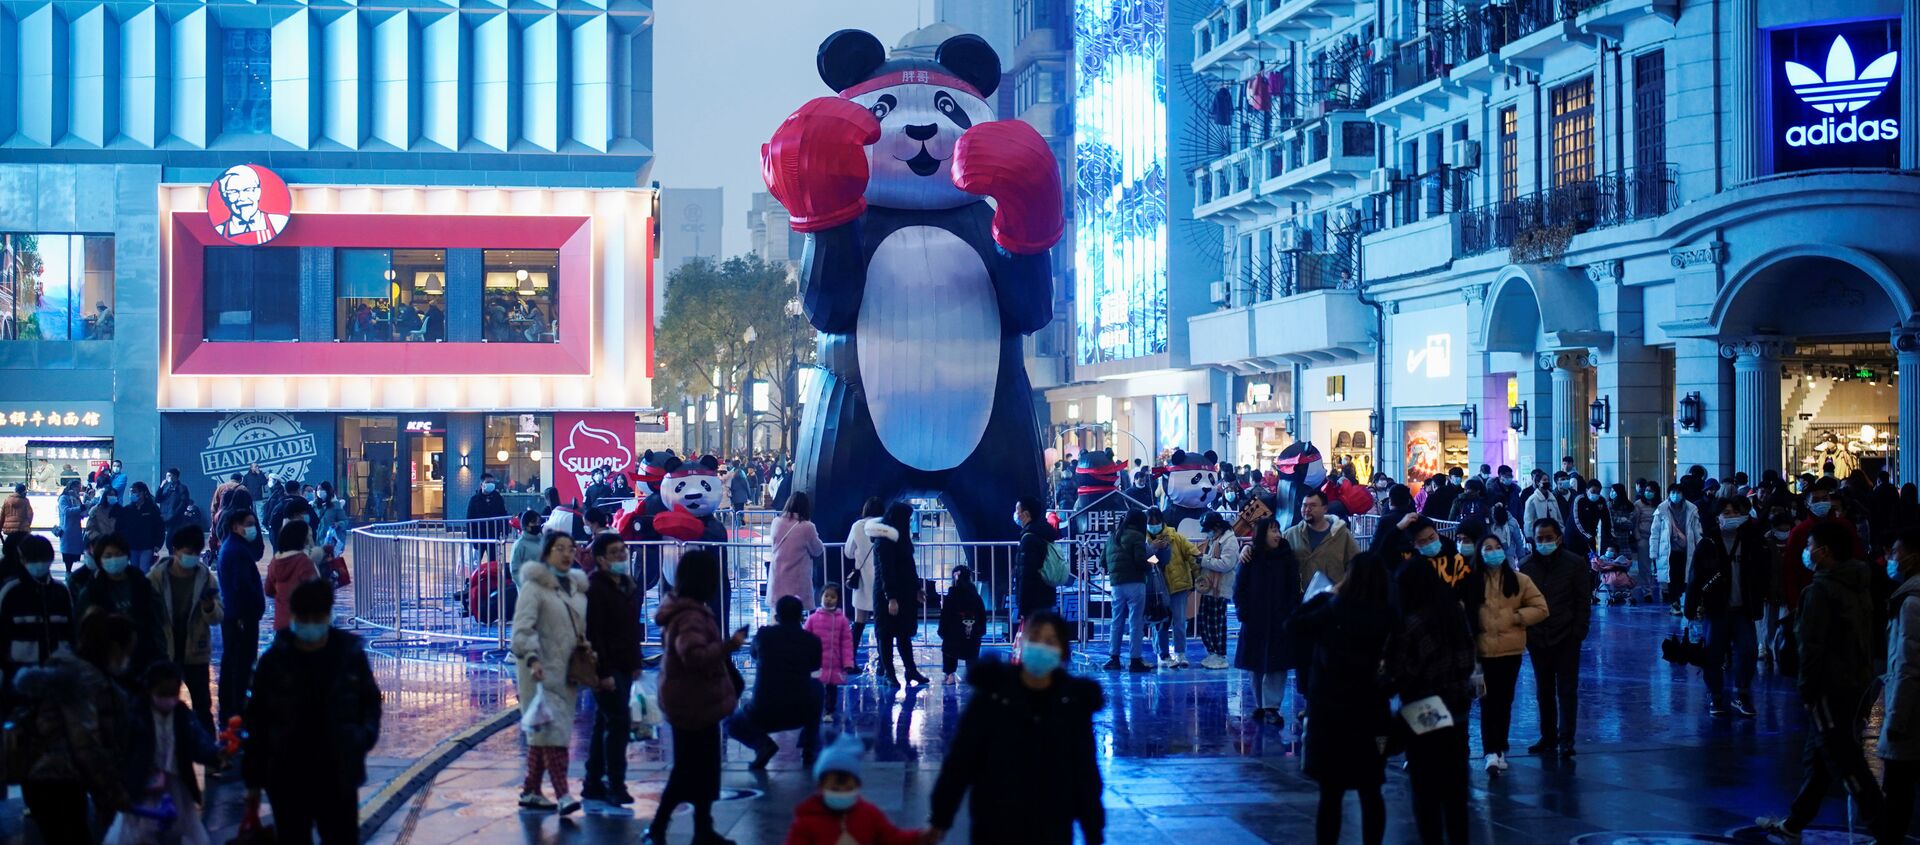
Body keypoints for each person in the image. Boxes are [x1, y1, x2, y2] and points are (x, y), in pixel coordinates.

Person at [1757, 521, 1885, 842]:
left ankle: (1885, 829)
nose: (1807, 551)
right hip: (1857, 683)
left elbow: (1812, 648)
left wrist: (1808, 689)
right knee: (1819, 757)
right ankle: (1795, 823)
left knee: (1845, 760)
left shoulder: (1820, 591)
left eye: (1811, 545)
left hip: (1830, 689)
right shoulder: (1858, 583)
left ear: (1824, 552)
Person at [930, 611, 1104, 845]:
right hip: (994, 822)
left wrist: (1093, 830)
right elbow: (961, 762)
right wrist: (940, 818)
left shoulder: (1073, 703)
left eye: (1050, 641)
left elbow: (1085, 773)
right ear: (1022, 643)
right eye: (1035, 638)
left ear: (1062, 650)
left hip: (1052, 825)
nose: (1041, 646)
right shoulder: (992, 696)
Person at [244, 580, 382, 845]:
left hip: (338, 772)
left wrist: (362, 738)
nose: (310, 624)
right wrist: (253, 778)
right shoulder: (274, 661)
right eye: (304, 617)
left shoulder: (348, 655)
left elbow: (370, 701)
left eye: (316, 617)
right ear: (294, 616)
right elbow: (257, 719)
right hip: (286, 775)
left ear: (328, 615)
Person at [1287, 551, 1394, 845]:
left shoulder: (1334, 608)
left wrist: (1324, 594)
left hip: (1330, 714)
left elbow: (1295, 625)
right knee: (1371, 790)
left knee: (1330, 793)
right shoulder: (1388, 615)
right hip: (1371, 713)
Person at [649, 549, 746, 845]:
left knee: (702, 768)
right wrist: (729, 646)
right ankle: (659, 828)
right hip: (692, 700)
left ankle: (702, 828)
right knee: (689, 769)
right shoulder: (691, 616)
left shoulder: (688, 609)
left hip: (693, 698)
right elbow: (693, 655)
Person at [15, 610, 135, 843]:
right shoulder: (84, 680)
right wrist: (111, 792)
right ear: (112, 647)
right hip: (56, 782)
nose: (128, 658)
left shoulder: (72, 669)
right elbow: (86, 744)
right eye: (127, 650)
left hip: (47, 779)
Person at [1393, 559, 1477, 845]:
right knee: (1455, 791)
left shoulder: (1412, 623)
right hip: (1458, 709)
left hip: (1424, 711)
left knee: (1425, 790)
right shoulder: (1454, 613)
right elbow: (1468, 660)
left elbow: (1404, 671)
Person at [511, 531, 589, 814]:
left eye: (571, 548)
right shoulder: (534, 588)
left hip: (567, 672)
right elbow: (522, 629)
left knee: (544, 734)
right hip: (539, 672)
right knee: (554, 736)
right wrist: (532, 658)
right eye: (560, 548)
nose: (567, 554)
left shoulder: (576, 589)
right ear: (546, 553)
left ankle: (531, 790)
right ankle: (563, 794)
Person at [120, 662, 222, 845]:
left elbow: (198, 742)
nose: (168, 698)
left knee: (175, 832)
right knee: (142, 835)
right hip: (144, 786)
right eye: (163, 692)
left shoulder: (182, 715)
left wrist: (217, 755)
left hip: (175, 786)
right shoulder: (136, 715)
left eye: (173, 692)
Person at [1685, 495, 1767, 717]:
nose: (1731, 517)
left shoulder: (1751, 541)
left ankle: (1742, 693)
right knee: (1714, 653)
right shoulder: (1708, 543)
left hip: (1743, 608)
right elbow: (1696, 577)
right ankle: (1716, 695)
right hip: (1716, 608)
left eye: (1735, 513)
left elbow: (1761, 573)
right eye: (1726, 513)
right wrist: (1690, 607)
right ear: (1717, 517)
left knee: (1748, 651)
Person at [1473, 533, 1546, 774]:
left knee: (1504, 702)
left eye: (1496, 547)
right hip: (1481, 653)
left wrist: (1516, 618)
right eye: (1487, 548)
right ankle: (1490, 752)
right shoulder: (1471, 581)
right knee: (1486, 703)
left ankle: (1500, 747)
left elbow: (1540, 608)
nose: (1493, 552)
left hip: (1510, 652)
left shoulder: (1519, 580)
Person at [726, 594, 824, 768]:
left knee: (730, 722)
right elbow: (814, 666)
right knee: (817, 688)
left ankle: (761, 744)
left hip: (763, 711)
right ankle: (809, 746)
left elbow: (754, 655)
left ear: (777, 617)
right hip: (801, 710)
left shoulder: (764, 635)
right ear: (802, 616)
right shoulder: (812, 640)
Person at [1521, 518, 1591, 757]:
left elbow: (1583, 601)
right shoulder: (1526, 566)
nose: (1543, 542)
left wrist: (1578, 631)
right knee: (1544, 690)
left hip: (1567, 636)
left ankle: (1566, 738)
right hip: (1538, 637)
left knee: (1567, 689)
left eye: (1548, 538)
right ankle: (1548, 736)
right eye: (1539, 539)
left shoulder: (1575, 564)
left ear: (1559, 538)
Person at [785, 732, 930, 845]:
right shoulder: (807, 822)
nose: (841, 792)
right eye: (835, 789)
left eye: (846, 787)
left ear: (857, 785)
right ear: (820, 786)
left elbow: (892, 839)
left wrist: (920, 837)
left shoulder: (868, 816)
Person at [583, 532, 640, 805]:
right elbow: (594, 633)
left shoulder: (627, 585)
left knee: (604, 721)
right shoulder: (595, 589)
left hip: (624, 664)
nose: (621, 557)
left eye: (623, 551)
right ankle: (616, 784)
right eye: (615, 553)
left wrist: (636, 662)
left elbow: (630, 630)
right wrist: (602, 673)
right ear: (601, 559)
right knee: (618, 723)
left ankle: (593, 781)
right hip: (607, 666)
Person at [151, 526, 221, 735]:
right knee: (161, 705)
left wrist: (209, 606)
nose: (191, 557)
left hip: (196, 653)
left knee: (202, 707)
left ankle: (210, 759)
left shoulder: (206, 578)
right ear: (175, 550)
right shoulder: (156, 578)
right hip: (165, 651)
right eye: (187, 552)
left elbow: (218, 617)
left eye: (195, 553)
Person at [1876, 528, 1920, 844]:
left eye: (1895, 551)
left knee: (1898, 788)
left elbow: (1906, 664)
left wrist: (1895, 717)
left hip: (1911, 713)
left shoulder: (1911, 603)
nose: (1891, 558)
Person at [1236, 517, 1301, 723]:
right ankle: (1260, 704)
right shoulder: (1251, 556)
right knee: (1255, 664)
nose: (1277, 535)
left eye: (1278, 530)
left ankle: (1271, 706)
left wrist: (1290, 612)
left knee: (1276, 665)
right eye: (1272, 531)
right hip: (1254, 618)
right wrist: (1243, 611)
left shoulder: (1287, 557)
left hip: (1280, 618)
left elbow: (1293, 588)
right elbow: (1240, 587)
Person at [0, 536, 75, 706]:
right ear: (22, 560)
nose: (39, 564)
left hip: (57, 670)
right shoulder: (11, 591)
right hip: (18, 673)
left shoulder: (60, 591)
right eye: (33, 559)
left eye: (43, 559)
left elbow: (70, 629)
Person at [75, 531, 166, 670]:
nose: (114, 559)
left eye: (118, 555)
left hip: (142, 660)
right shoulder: (90, 591)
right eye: (108, 556)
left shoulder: (142, 585)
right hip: (103, 662)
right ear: (100, 559)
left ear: (127, 556)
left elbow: (157, 621)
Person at [216, 508, 266, 725]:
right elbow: (241, 586)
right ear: (235, 525)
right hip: (240, 617)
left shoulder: (234, 547)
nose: (251, 527)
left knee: (234, 663)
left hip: (238, 615)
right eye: (247, 523)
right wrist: (247, 613)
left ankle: (231, 709)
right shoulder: (236, 551)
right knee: (240, 664)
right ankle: (236, 711)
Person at [871, 502, 929, 686]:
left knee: (904, 633)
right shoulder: (884, 540)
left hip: (904, 592)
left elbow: (909, 566)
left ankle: (910, 670)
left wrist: (917, 587)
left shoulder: (900, 537)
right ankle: (889, 672)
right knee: (886, 634)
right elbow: (886, 570)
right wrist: (891, 597)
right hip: (886, 593)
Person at [1144, 508, 1198, 667]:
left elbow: (1190, 552)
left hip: (1178, 585)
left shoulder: (1175, 537)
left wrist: (1198, 568)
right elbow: (1147, 562)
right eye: (1150, 523)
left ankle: (1181, 654)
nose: (1153, 525)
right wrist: (1154, 549)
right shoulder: (1144, 541)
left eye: (1156, 522)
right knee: (1161, 621)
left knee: (1180, 621)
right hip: (1157, 589)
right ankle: (1164, 654)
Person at [1102, 510, 1152, 672]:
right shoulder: (1137, 536)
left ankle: (1114, 658)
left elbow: (1102, 562)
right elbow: (1141, 561)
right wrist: (1154, 560)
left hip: (1116, 585)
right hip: (1135, 584)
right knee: (1136, 622)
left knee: (1116, 621)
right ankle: (1135, 660)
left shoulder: (1112, 537)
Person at [1286, 489, 1360, 593]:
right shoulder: (1290, 535)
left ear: (1325, 509)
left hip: (1331, 599)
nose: (1307, 509)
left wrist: (1340, 587)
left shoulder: (1342, 534)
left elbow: (1356, 565)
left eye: (1312, 505)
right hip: (1299, 600)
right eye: (1304, 505)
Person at [1195, 513, 1241, 670]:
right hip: (1208, 588)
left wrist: (1204, 560)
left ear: (1216, 527)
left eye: (1208, 529)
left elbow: (1226, 564)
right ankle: (1212, 652)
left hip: (1220, 589)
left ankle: (1220, 654)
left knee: (1217, 623)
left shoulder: (1230, 541)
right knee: (1205, 622)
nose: (1207, 533)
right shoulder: (1214, 540)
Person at [844, 496, 886, 665]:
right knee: (882, 624)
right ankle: (883, 662)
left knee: (859, 622)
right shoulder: (886, 526)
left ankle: (851, 660)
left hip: (862, 581)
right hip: (882, 580)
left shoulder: (857, 526)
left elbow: (848, 551)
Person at [805, 584, 855, 720]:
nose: (828, 599)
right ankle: (814, 711)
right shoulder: (812, 619)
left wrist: (848, 662)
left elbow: (846, 644)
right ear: (820, 597)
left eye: (833, 597)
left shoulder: (842, 620)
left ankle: (829, 711)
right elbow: (804, 640)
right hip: (816, 663)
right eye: (826, 595)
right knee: (815, 689)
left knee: (831, 690)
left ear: (838, 600)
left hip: (834, 663)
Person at [1652, 482, 1703, 615]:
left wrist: (1701, 546)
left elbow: (1697, 530)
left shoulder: (1692, 509)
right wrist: (1653, 552)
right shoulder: (1661, 509)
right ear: (1669, 494)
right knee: (1671, 577)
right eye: (1673, 492)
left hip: (1687, 549)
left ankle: (1681, 600)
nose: (1675, 495)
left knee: (1684, 577)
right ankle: (1674, 603)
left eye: (1678, 492)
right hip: (1668, 550)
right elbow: (1655, 532)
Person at [770, 492, 825, 615]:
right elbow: (817, 549)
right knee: (796, 615)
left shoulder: (776, 522)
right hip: (797, 580)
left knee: (780, 616)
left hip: (778, 577)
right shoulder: (807, 527)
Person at [939, 565, 986, 683]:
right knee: (972, 654)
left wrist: (942, 631)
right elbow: (982, 617)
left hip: (953, 636)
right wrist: (980, 631)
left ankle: (950, 675)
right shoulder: (976, 597)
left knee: (949, 651)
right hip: (972, 635)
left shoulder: (951, 597)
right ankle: (972, 674)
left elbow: (944, 617)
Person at [1015, 496, 1060, 618]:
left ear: (1025, 514)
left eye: (1017, 512)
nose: (1016, 515)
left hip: (1032, 602)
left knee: (1034, 636)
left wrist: (1022, 607)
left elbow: (1026, 575)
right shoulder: (1044, 533)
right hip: (1046, 597)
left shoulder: (1029, 539)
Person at [56, 479, 87, 571]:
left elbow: (82, 512)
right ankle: (68, 571)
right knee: (67, 552)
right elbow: (66, 511)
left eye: (79, 487)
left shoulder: (77, 498)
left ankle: (69, 570)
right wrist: (80, 508)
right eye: (77, 487)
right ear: (71, 487)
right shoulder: (63, 498)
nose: (79, 489)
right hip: (67, 529)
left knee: (74, 551)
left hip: (76, 529)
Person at [508, 509, 544, 586]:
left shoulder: (543, 542)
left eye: (538, 522)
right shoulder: (519, 545)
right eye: (534, 522)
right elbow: (514, 571)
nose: (537, 525)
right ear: (526, 525)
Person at [156, 468, 191, 537]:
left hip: (176, 520)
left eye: (169, 476)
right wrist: (161, 487)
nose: (166, 478)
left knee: (170, 541)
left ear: (175, 476)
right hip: (165, 518)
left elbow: (184, 503)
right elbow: (158, 499)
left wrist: (175, 513)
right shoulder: (167, 489)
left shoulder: (182, 488)